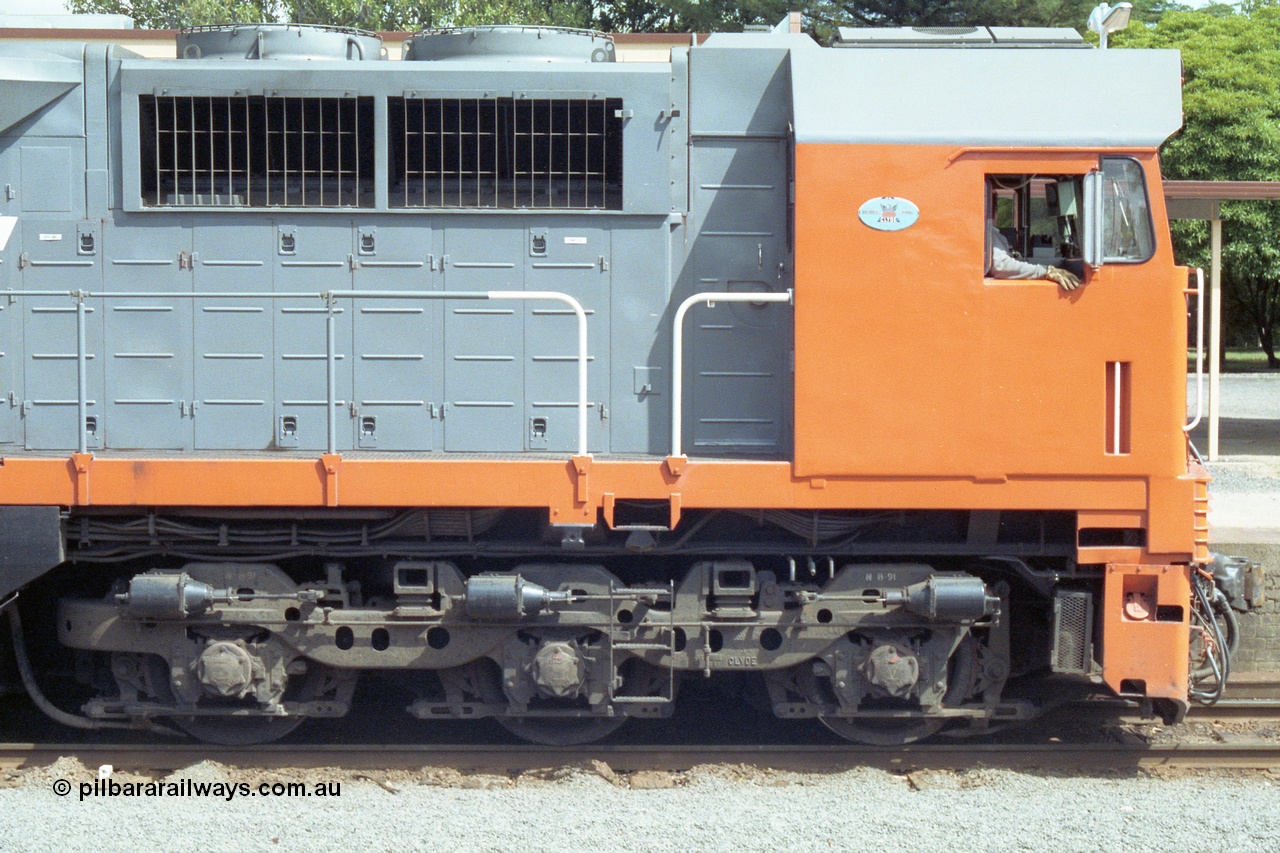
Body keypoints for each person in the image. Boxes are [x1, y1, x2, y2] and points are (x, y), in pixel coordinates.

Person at [988, 222, 1081, 291]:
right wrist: (1047, 272)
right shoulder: (989, 232)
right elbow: (1001, 265)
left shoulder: (989, 232)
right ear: (994, 211)